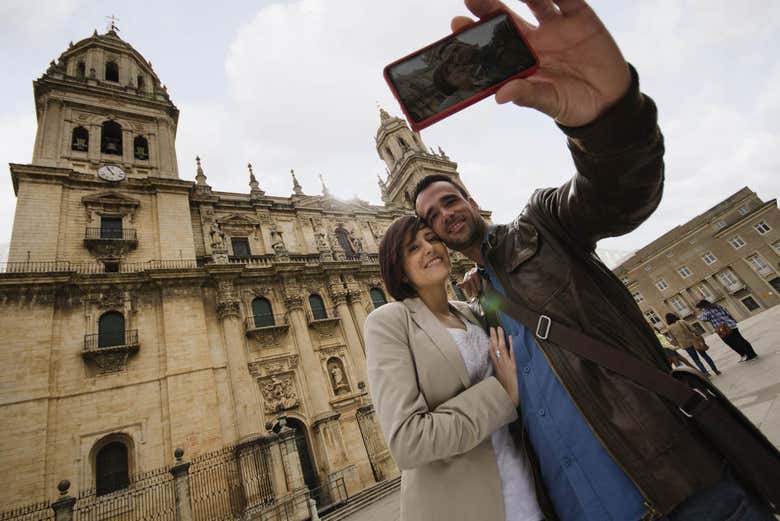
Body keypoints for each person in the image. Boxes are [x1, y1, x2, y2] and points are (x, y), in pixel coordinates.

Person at [413, 0, 775, 519]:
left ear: (470, 200)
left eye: (452, 198)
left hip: (676, 485)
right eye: (432, 214)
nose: (446, 213)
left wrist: (610, 120)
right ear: (429, 234)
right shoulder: (478, 307)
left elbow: (615, 193)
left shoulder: (540, 228)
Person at [364, 215, 543, 521]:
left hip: (525, 485)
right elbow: (409, 442)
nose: (429, 248)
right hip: (465, 504)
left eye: (432, 239)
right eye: (412, 248)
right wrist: (502, 394)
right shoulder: (389, 321)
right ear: (400, 270)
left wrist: (485, 278)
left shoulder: (471, 312)